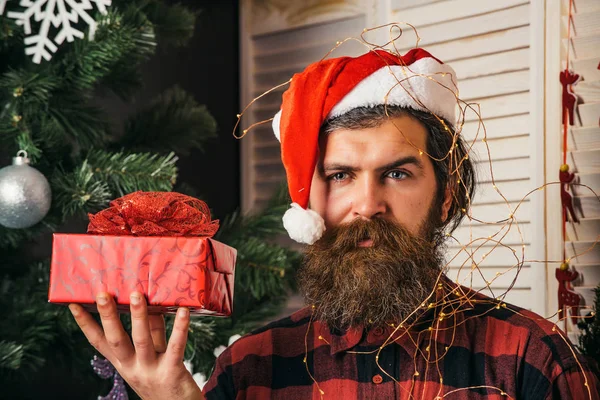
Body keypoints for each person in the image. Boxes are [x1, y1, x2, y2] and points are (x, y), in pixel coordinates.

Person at [69, 47, 600, 399]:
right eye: (341, 175)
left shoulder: (532, 357)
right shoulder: (249, 372)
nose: (366, 204)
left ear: (446, 197)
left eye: (397, 172)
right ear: (311, 204)